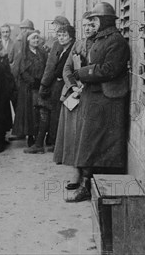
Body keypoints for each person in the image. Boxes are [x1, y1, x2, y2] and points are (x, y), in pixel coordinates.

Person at [67, 2, 130, 202]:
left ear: (104, 21)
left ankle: (90, 187)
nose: (92, 24)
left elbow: (109, 70)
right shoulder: (99, 39)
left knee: (97, 142)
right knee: (89, 141)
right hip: (95, 96)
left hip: (108, 98)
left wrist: (83, 72)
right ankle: (88, 184)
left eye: (95, 20)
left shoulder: (116, 41)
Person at [54, 12, 97, 188]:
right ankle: (76, 172)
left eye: (92, 25)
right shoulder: (78, 44)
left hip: (92, 94)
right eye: (85, 25)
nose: (88, 28)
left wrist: (85, 86)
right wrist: (73, 86)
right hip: (74, 94)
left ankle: (88, 174)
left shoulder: (100, 46)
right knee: (73, 135)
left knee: (87, 136)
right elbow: (67, 69)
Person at [25, 23, 76, 154]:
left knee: (56, 114)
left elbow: (60, 70)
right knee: (46, 111)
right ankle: (40, 143)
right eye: (59, 35)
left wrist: (50, 80)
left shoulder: (71, 49)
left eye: (65, 35)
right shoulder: (61, 49)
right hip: (55, 85)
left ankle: (51, 143)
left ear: (71, 37)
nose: (61, 38)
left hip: (64, 87)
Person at [11, 30, 48, 147]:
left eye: (37, 38)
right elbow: (22, 71)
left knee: (39, 112)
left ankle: (39, 135)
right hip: (28, 88)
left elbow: (46, 67)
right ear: (28, 41)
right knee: (29, 113)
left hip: (40, 86)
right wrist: (33, 81)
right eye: (33, 39)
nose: (36, 41)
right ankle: (30, 136)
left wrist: (42, 81)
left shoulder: (42, 53)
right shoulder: (22, 54)